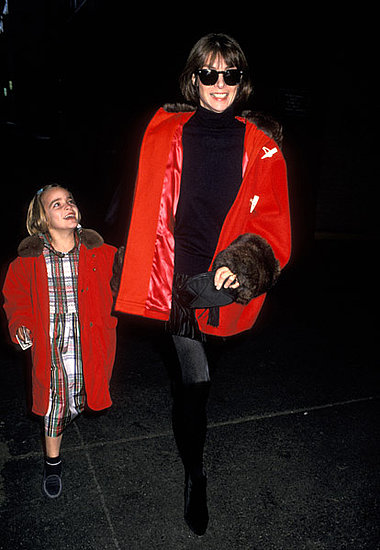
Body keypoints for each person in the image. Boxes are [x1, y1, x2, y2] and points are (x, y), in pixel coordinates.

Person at [114, 33, 291, 535]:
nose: (219, 84)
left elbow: (275, 220)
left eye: (229, 74)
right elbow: (139, 198)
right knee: (197, 385)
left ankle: (195, 439)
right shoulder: (165, 130)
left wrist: (245, 262)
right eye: (208, 74)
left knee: (210, 371)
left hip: (226, 281)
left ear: (242, 81)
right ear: (193, 79)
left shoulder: (262, 144)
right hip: (179, 277)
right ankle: (196, 473)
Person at [2, 183, 118, 498]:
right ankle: (53, 462)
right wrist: (21, 324)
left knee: (81, 398)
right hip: (50, 348)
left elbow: (128, 276)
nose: (67, 206)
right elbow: (15, 299)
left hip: (88, 344)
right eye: (56, 204)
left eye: (70, 200)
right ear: (41, 218)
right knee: (54, 406)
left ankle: (72, 411)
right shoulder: (27, 261)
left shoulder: (101, 253)